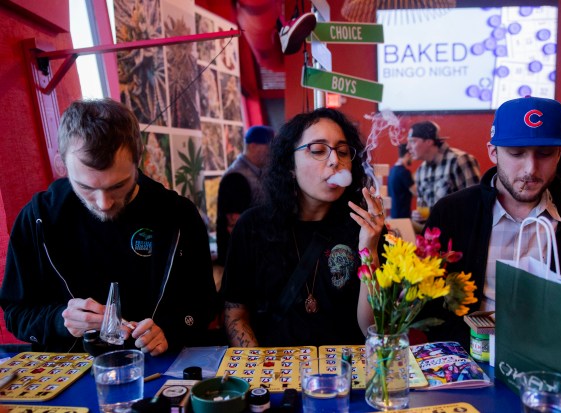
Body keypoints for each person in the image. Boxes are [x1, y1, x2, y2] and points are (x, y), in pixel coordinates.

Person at [0, 98, 221, 355]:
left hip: (161, 368)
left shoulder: (177, 215)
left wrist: (169, 329)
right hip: (73, 373)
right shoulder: (39, 218)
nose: (104, 204)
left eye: (118, 185)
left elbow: (204, 304)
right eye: (86, 187)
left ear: (139, 159)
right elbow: (16, 313)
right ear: (62, 163)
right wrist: (61, 320)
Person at [423, 96, 561, 350]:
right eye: (517, 153)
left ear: (559, 154)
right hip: (471, 362)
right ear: (493, 152)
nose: (531, 169)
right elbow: (427, 309)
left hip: (550, 362)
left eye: (545, 154)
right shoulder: (453, 212)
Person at [221, 108, 384, 347]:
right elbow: (235, 314)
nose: (334, 161)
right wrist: (259, 371)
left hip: (347, 373)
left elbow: (373, 329)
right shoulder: (253, 226)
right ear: (290, 165)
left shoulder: (364, 228)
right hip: (275, 374)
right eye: (318, 150)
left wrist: (369, 251)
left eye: (342, 151)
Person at [216, 125, 274, 266]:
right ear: (253, 146)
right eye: (269, 146)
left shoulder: (260, 172)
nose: (272, 152)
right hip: (242, 261)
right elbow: (234, 227)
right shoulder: (236, 177)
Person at [407, 120, 481, 223]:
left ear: (429, 141)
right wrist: (419, 217)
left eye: (413, 141)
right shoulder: (421, 171)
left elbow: (477, 203)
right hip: (435, 236)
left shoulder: (460, 160)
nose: (408, 147)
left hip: (460, 235)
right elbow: (423, 207)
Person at [387, 143, 415, 219]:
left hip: (394, 215)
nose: (413, 159)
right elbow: (416, 192)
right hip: (403, 217)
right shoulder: (404, 172)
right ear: (408, 154)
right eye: (412, 155)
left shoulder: (391, 171)